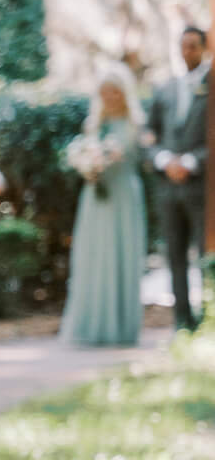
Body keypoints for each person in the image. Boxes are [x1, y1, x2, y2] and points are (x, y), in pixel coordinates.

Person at [60, 67, 147, 347]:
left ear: (124, 92)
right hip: (95, 199)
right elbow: (84, 153)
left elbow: (143, 159)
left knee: (122, 255)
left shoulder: (136, 123)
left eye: (115, 91)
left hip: (124, 196)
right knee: (93, 257)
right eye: (105, 91)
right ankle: (90, 325)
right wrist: (90, 167)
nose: (110, 96)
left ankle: (121, 329)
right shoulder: (93, 124)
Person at [147, 24, 208, 331]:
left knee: (206, 253)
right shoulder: (166, 88)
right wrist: (163, 159)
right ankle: (183, 323)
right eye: (183, 46)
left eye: (193, 46)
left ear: (205, 48)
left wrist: (191, 161)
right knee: (175, 255)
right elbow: (150, 135)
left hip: (203, 188)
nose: (187, 52)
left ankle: (208, 317)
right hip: (168, 187)